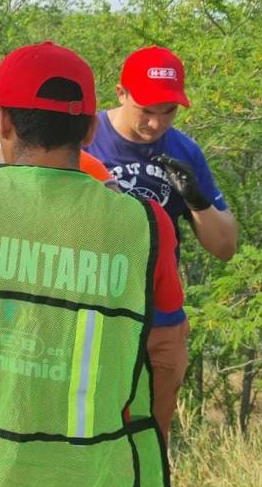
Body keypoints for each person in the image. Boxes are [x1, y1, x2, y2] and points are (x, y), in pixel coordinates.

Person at [0, 41, 181, 487]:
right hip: (89, 482)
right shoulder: (145, 226)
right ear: (89, 130)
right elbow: (166, 348)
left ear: (3, 123)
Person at [86, 45, 238, 435]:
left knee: (152, 439)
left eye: (168, 112)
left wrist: (197, 200)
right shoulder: (86, 138)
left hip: (161, 320)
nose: (156, 124)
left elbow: (225, 247)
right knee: (93, 432)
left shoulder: (185, 150)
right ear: (121, 93)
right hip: (95, 316)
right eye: (146, 111)